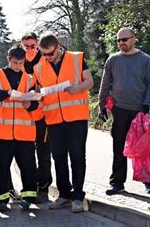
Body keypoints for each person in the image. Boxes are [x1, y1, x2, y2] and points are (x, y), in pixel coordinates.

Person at [33, 32, 93, 213]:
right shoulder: (39, 67)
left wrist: (76, 89)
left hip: (76, 117)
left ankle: (77, 197)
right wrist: (37, 97)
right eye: (43, 54)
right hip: (53, 119)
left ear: (58, 47)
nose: (47, 58)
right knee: (58, 158)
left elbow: (89, 81)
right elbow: (38, 91)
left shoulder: (77, 58)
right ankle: (64, 195)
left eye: (50, 54)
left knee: (77, 157)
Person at [97, 27, 150, 194]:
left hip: (139, 110)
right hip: (119, 109)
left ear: (134, 39)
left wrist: (146, 104)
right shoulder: (112, 60)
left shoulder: (145, 59)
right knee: (119, 148)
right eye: (118, 40)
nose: (121, 43)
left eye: (124, 39)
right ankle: (117, 183)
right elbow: (105, 83)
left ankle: (149, 181)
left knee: (143, 148)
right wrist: (102, 106)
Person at [0, 45, 38, 212]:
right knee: (2, 166)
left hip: (25, 132)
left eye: (21, 63)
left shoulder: (30, 79)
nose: (18, 66)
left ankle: (28, 198)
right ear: (8, 59)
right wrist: (8, 93)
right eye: (15, 62)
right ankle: (1, 200)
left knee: (28, 166)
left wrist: (29, 102)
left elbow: (35, 103)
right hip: (2, 132)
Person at [21, 32, 53, 203]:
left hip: (43, 116)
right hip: (25, 118)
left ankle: (44, 188)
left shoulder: (45, 60)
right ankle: (30, 188)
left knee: (43, 153)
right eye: (26, 46)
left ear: (38, 45)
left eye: (32, 46)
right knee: (26, 155)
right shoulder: (19, 62)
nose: (29, 49)